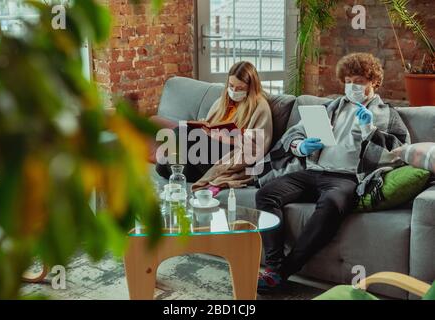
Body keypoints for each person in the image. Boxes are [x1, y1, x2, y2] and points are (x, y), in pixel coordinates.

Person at [255, 52, 410, 293]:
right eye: (348, 81)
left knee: (331, 203)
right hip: (314, 171)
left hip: (347, 178)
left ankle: (283, 272)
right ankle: (274, 265)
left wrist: (370, 130)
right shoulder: (330, 107)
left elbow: (400, 150)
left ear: (373, 82)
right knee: (266, 194)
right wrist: (300, 146)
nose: (352, 86)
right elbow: (293, 135)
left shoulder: (386, 113)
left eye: (358, 81)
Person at [156, 61, 273, 196]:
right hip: (208, 150)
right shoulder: (222, 102)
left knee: (180, 135)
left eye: (240, 88)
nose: (234, 91)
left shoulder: (260, 107)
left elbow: (256, 147)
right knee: (161, 167)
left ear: (251, 87)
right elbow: (209, 124)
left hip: (231, 154)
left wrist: (226, 138)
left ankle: (179, 175)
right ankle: (181, 174)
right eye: (231, 86)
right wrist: (203, 127)